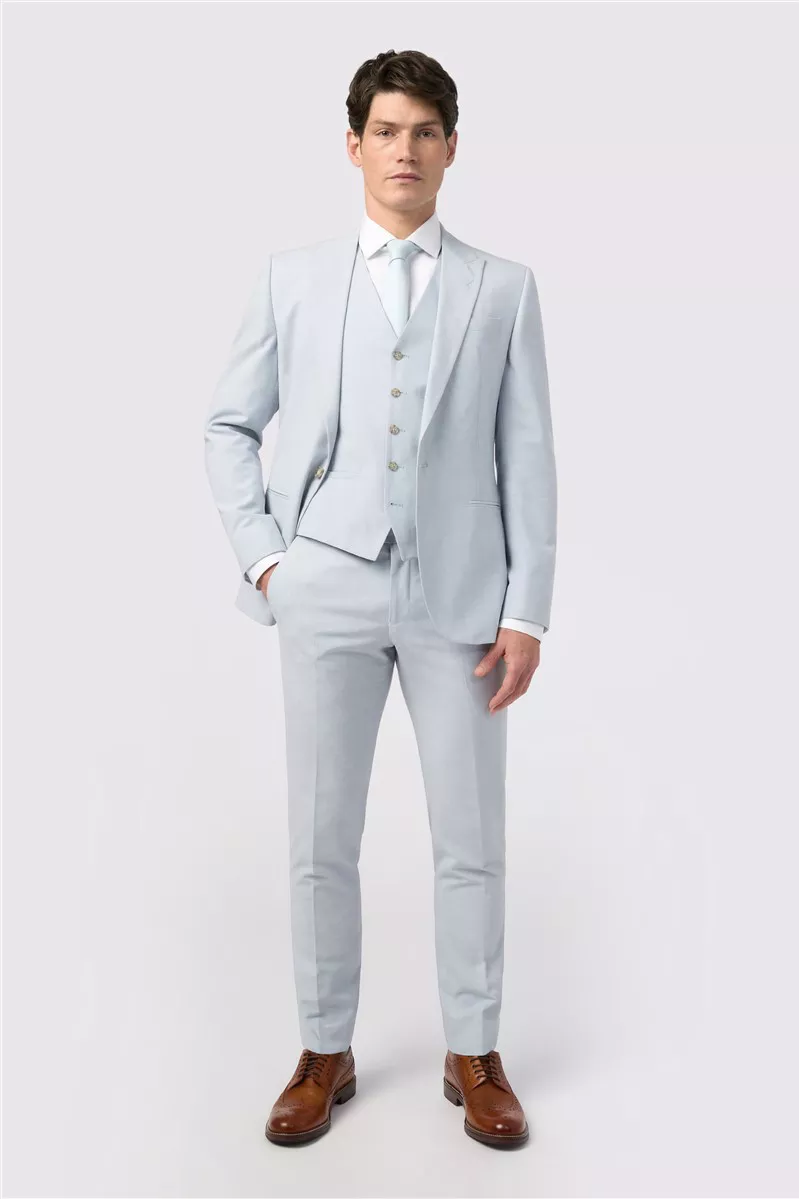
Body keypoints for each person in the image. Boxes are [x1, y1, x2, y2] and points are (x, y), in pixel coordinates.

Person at [204, 48, 557, 1150]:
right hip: (327, 582)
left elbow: (527, 455)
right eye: (387, 131)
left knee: (470, 836)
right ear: (353, 146)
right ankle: (324, 1047)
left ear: (451, 149)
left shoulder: (502, 288)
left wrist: (526, 609)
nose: (406, 150)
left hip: (461, 599)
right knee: (321, 835)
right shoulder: (292, 279)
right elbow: (229, 425)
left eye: (425, 132)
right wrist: (269, 562)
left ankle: (473, 1048)